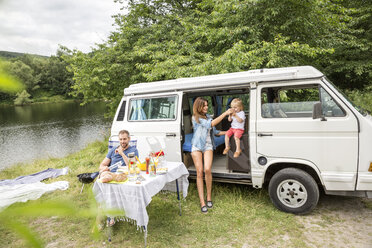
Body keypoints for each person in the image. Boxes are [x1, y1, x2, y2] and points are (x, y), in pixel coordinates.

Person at [191, 97, 232, 213]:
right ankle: (202, 202)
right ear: (198, 106)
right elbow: (210, 124)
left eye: (207, 105)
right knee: (199, 172)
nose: (206, 107)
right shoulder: (196, 118)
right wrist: (225, 113)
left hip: (208, 145)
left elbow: (215, 132)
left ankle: (209, 197)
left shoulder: (208, 117)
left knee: (207, 169)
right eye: (204, 105)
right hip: (197, 146)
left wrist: (229, 132)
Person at [96, 129, 138, 228]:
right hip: (110, 175)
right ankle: (102, 219)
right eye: (120, 139)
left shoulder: (133, 151)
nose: (122, 141)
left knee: (106, 182)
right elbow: (101, 165)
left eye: (124, 139)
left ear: (129, 139)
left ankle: (109, 217)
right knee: (104, 179)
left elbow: (131, 166)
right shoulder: (112, 150)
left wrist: (122, 153)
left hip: (123, 177)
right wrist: (104, 168)